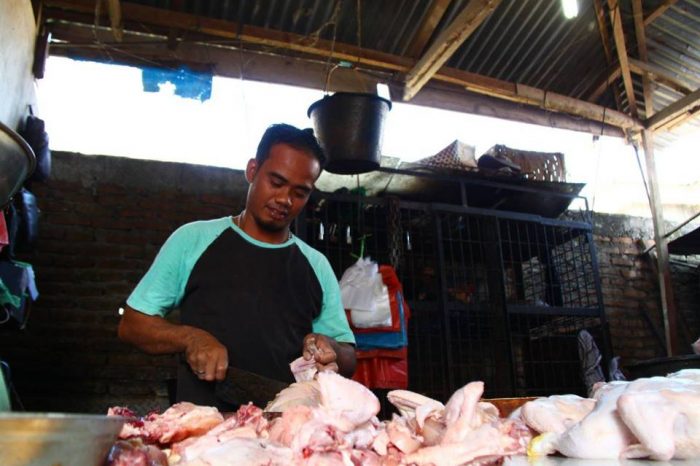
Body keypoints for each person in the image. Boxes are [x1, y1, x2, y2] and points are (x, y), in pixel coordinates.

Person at [118, 123, 356, 409]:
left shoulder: (316, 265)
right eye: (276, 182)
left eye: (300, 192)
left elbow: (349, 358)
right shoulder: (193, 240)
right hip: (204, 430)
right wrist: (190, 338)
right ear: (252, 170)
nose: (284, 199)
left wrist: (330, 347)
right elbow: (132, 324)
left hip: (288, 431)